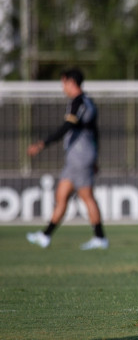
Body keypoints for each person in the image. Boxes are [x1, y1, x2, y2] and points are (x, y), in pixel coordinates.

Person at [26, 67, 109, 250]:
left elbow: (67, 126)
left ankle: (100, 237)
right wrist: (94, 157)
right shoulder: (88, 102)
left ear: (70, 82)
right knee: (62, 195)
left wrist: (42, 144)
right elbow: (94, 132)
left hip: (79, 157)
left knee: (86, 196)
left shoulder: (78, 102)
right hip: (80, 157)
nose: (63, 87)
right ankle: (45, 235)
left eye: (63, 83)